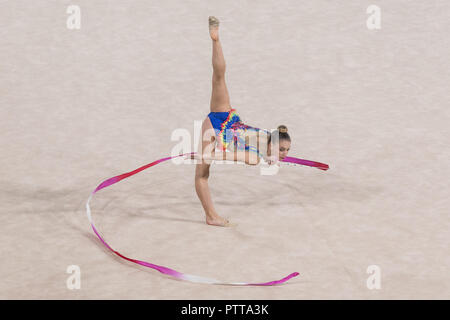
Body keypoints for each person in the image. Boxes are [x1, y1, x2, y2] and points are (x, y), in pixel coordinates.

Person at [193, 16, 292, 227]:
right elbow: (223, 155)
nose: (285, 155)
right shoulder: (253, 157)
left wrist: (271, 158)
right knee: (202, 175)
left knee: (219, 77)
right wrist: (205, 154)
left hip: (225, 117)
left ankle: (215, 40)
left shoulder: (267, 136)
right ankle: (211, 216)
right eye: (282, 149)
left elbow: (264, 151)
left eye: (286, 151)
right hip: (218, 127)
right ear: (273, 144)